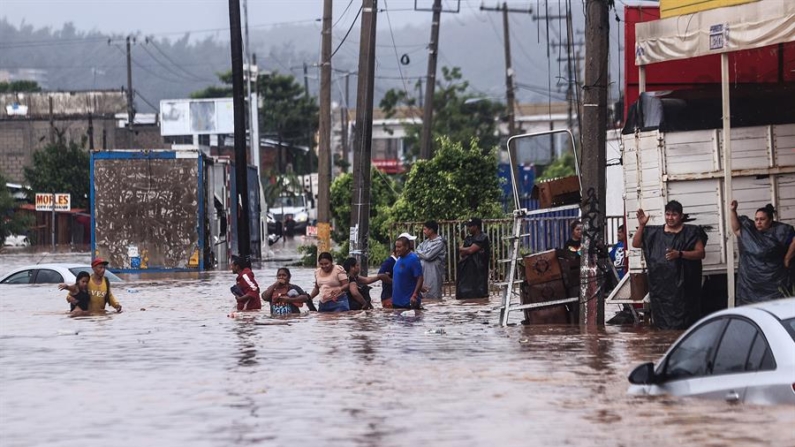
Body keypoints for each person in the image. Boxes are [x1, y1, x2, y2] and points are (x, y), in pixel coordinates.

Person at [632, 200, 707, 330]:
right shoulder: (654, 233)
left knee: (686, 326)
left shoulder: (691, 232)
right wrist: (642, 225)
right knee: (662, 328)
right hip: (661, 291)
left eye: (674, 215)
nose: (670, 218)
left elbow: (700, 253)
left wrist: (680, 254)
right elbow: (636, 244)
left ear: (681, 216)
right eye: (667, 214)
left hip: (685, 290)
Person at [730, 200, 795, 305]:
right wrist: (733, 211)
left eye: (762, 219)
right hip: (751, 282)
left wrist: (787, 258)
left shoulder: (780, 231)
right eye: (756, 219)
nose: (758, 222)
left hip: (774, 280)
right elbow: (736, 228)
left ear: (770, 220)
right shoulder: (749, 231)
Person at [456, 217, 490, 299]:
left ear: (476, 227)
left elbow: (471, 250)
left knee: (479, 296)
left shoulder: (483, 237)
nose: (468, 228)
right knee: (464, 295)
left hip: (479, 272)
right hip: (466, 272)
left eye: (470, 226)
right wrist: (466, 250)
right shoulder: (468, 238)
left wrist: (464, 249)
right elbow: (462, 253)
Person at [415, 220, 447, 299]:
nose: (424, 231)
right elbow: (416, 252)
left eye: (425, 229)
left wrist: (421, 253)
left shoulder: (440, 242)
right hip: (423, 273)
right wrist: (422, 253)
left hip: (434, 274)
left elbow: (428, 256)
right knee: (423, 297)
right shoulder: (425, 242)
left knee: (433, 297)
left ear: (431, 230)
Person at [392, 236, 424, 309]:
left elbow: (420, 278)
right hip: (397, 302)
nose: (397, 249)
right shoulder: (399, 259)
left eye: (399, 247)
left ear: (406, 247)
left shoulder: (413, 259)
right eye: (396, 247)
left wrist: (415, 295)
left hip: (409, 302)